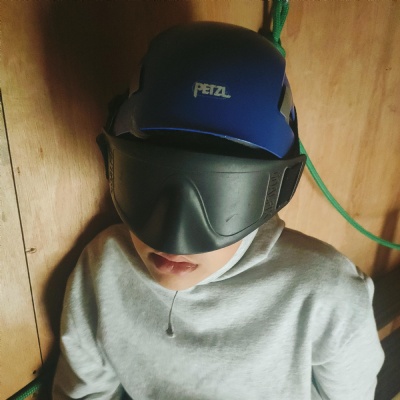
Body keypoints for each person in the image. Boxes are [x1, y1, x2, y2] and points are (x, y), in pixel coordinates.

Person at [52, 22, 384, 399]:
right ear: (112, 164)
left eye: (222, 196)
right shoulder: (103, 267)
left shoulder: (327, 295)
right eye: (150, 183)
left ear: (278, 186)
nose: (174, 238)